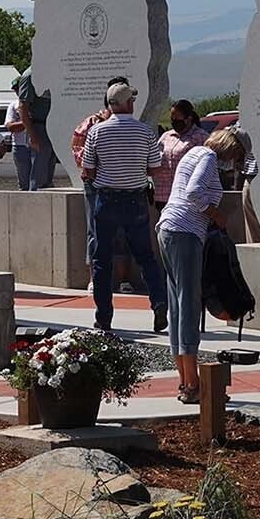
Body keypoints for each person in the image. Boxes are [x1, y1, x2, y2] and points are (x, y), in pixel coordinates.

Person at [157, 127, 247, 404]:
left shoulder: (193, 152)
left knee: (177, 305)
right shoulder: (207, 157)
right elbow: (195, 193)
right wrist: (216, 215)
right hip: (185, 232)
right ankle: (194, 384)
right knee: (189, 305)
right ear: (231, 148)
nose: (235, 162)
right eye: (237, 156)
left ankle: (185, 382)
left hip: (168, 228)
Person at [80, 82, 168, 332]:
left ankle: (104, 316)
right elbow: (155, 168)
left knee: (102, 259)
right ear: (128, 104)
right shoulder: (144, 132)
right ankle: (159, 303)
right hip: (135, 199)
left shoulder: (97, 132)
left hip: (106, 199)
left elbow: (88, 169)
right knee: (146, 257)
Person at [71, 77, 128, 289]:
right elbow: (78, 153)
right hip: (96, 185)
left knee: (122, 229)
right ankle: (95, 279)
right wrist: (99, 165)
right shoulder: (92, 124)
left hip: (121, 185)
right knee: (95, 230)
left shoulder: (129, 123)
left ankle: (122, 279)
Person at [154, 100, 207, 208]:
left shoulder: (201, 137)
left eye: (177, 119)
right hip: (163, 196)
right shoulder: (166, 137)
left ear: (189, 119)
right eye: (172, 119)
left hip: (185, 198)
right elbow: (155, 158)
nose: (174, 122)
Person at [14, 65, 56, 190]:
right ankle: (37, 204)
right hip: (39, 127)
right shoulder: (30, 75)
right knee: (39, 175)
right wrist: (32, 135)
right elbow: (23, 107)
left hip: (53, 127)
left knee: (48, 172)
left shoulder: (53, 70)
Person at [5, 78, 34, 189]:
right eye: (16, 89)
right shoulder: (13, 105)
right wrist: (27, 121)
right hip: (20, 146)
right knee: (23, 182)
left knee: (39, 179)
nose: (19, 91)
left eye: (20, 88)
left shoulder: (36, 104)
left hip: (36, 145)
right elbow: (11, 127)